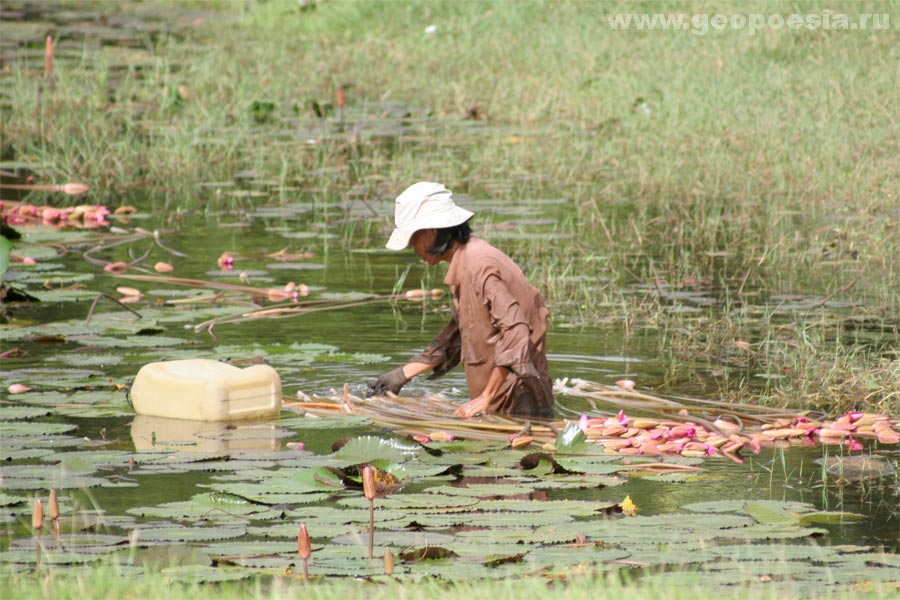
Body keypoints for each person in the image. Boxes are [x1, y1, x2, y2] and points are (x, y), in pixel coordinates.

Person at [367, 182, 554, 418]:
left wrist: (487, 397)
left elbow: (516, 331)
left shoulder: (479, 264)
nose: (413, 249)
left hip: (517, 404)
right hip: (498, 404)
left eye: (414, 239)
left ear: (432, 231)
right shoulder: (466, 262)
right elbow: (457, 337)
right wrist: (401, 374)